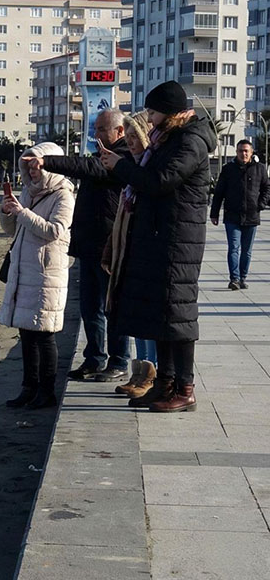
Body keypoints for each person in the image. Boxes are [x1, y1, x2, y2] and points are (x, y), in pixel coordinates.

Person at [99, 81, 216, 413]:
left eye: (152, 112)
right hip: (161, 237)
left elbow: (160, 182)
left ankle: (185, 388)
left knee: (178, 316)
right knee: (161, 315)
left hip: (178, 240)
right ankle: (164, 383)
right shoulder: (170, 139)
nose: (149, 119)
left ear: (169, 111)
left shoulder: (190, 142)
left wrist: (120, 167)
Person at [28, 108, 132, 383]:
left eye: (101, 129)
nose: (95, 134)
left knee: (113, 308)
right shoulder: (103, 156)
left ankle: (119, 360)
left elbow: (87, 168)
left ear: (119, 131)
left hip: (109, 245)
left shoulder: (124, 158)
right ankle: (94, 359)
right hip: (88, 244)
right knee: (90, 308)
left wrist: (48, 161)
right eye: (95, 128)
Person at [0, 142, 76, 409]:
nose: (32, 171)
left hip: (47, 272)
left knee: (44, 333)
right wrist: (7, 211)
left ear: (50, 165)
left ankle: (47, 390)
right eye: (28, 165)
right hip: (24, 268)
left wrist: (22, 212)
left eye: (37, 165)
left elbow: (55, 230)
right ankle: (28, 387)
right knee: (26, 333)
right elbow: (13, 230)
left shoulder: (64, 195)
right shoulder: (28, 192)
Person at [107, 112, 158, 400]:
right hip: (130, 254)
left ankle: (151, 375)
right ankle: (139, 372)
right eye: (125, 134)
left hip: (146, 254)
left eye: (133, 134)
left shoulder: (147, 170)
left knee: (149, 320)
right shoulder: (134, 170)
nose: (128, 140)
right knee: (135, 317)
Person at [210, 139, 269, 290]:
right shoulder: (228, 169)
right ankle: (234, 279)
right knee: (234, 248)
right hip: (232, 216)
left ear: (251, 153)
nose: (243, 153)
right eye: (240, 151)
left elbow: (266, 188)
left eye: (246, 151)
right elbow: (219, 192)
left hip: (251, 216)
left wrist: (260, 205)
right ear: (236, 152)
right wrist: (214, 213)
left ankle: (243, 277)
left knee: (247, 251)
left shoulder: (260, 169)